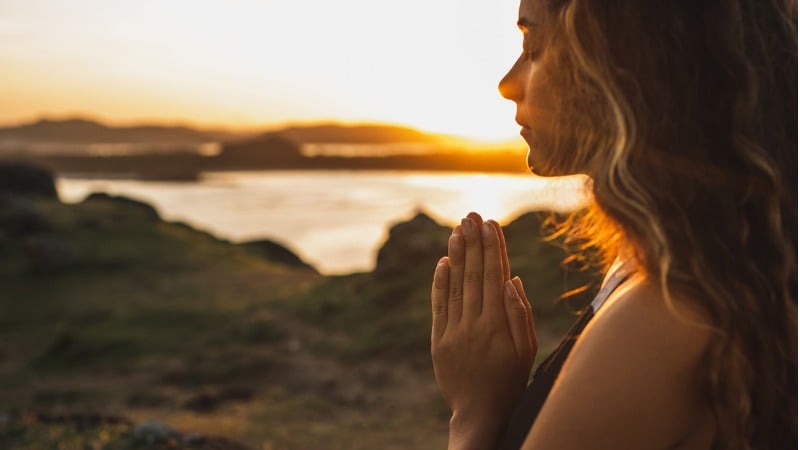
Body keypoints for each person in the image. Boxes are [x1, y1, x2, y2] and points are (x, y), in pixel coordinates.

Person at [429, 0, 797, 449]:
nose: (507, 83)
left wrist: (474, 415)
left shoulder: (665, 320)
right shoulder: (722, 275)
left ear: (625, 61)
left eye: (534, 45)